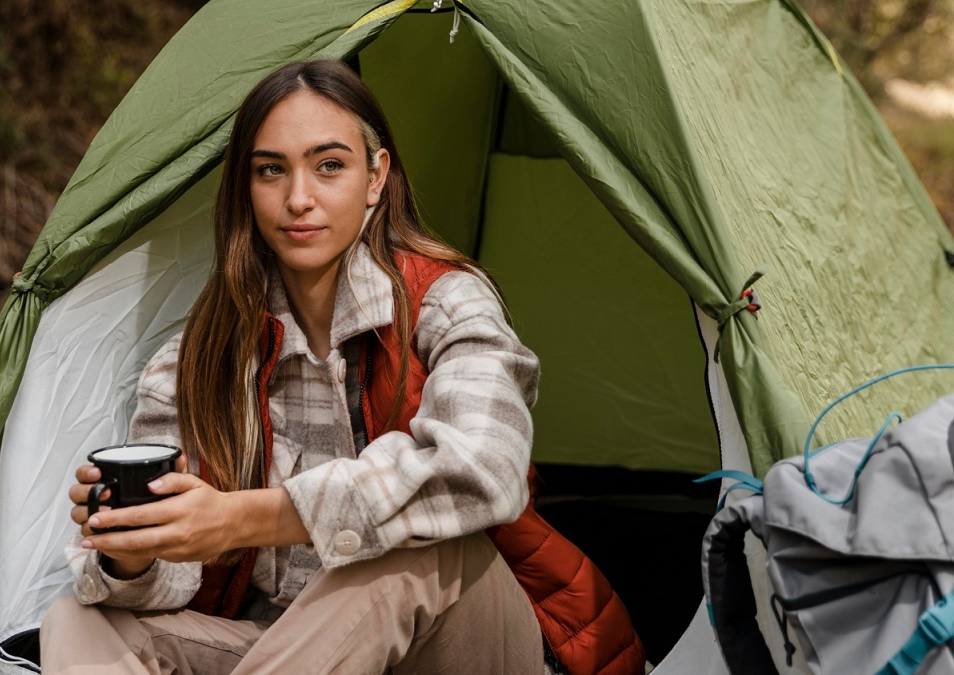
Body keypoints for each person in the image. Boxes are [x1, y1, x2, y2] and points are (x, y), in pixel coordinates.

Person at [41, 59, 635, 675]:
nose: (299, 199)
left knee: (409, 544)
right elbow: (169, 586)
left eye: (329, 166)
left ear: (376, 177)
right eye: (272, 170)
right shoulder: (197, 359)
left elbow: (485, 470)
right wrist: (134, 551)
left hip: (469, 645)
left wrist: (237, 519)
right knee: (77, 619)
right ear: (245, 186)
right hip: (285, 650)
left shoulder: (448, 303)